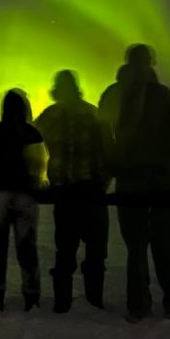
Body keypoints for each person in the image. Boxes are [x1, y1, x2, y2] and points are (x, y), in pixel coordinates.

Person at [98, 44, 170, 322]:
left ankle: (138, 305)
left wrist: (111, 170)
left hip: (128, 181)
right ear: (151, 62)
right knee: (168, 245)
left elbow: (104, 139)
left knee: (136, 247)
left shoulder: (112, 95)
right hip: (161, 182)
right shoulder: (163, 96)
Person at [35, 70, 108, 313]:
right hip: (91, 191)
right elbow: (107, 149)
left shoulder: (49, 116)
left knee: (64, 251)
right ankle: (94, 302)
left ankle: (62, 304)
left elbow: (32, 145)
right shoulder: (92, 113)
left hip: (64, 193)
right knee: (95, 251)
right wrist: (102, 181)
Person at [0, 89, 46, 312]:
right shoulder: (32, 133)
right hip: (25, 196)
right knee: (27, 249)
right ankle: (31, 297)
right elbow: (39, 165)